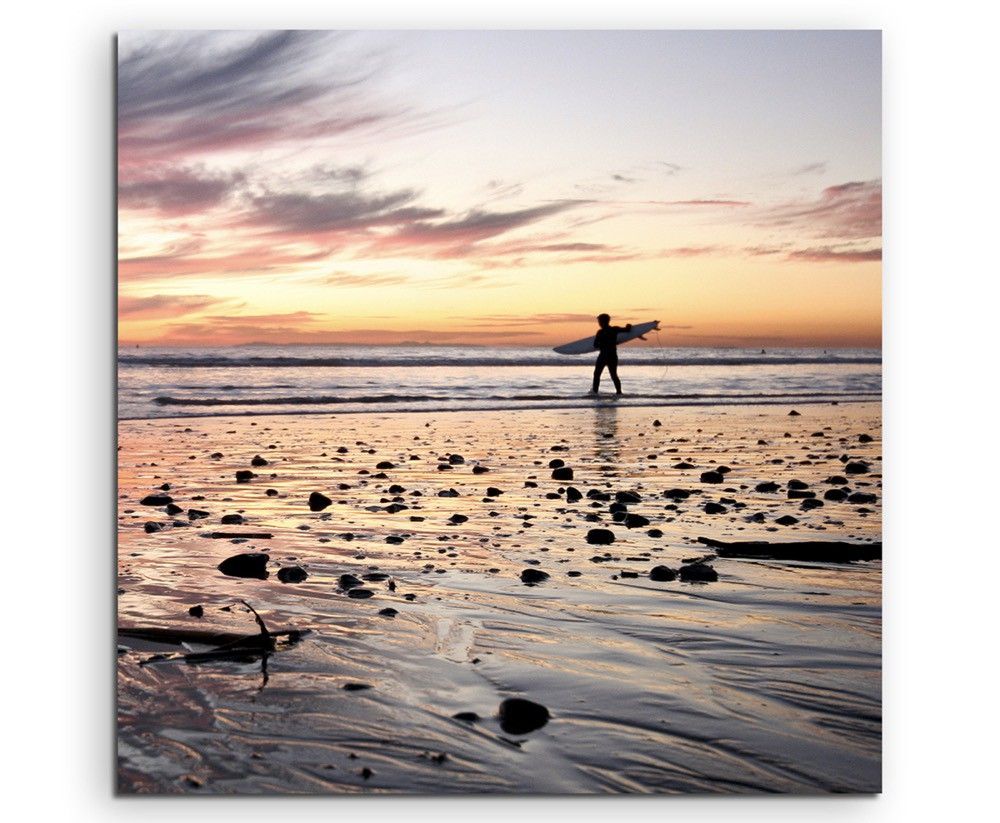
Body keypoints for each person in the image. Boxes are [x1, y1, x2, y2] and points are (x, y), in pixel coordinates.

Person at [591, 314, 632, 395]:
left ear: (604, 321)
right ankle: (618, 393)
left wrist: (603, 343)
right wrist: (628, 326)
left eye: (599, 321)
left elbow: (595, 345)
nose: (599, 323)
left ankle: (596, 393)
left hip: (605, 356)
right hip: (610, 355)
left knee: (599, 375)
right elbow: (627, 329)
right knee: (610, 375)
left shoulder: (601, 332)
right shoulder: (613, 329)